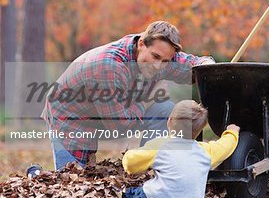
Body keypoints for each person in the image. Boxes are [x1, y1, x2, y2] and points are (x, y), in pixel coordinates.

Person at [41, 21, 215, 170]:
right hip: (72, 117)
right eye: (155, 57)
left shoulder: (158, 52)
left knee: (164, 109)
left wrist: (209, 66)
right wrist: (151, 97)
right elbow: (120, 126)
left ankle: (150, 168)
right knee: (73, 180)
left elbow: (193, 63)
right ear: (141, 44)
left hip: (111, 109)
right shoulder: (109, 67)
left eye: (165, 61)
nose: (158, 66)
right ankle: (35, 172)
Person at [119, 100, 240, 198]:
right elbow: (225, 146)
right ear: (199, 129)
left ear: (169, 121)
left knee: (130, 193)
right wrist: (232, 132)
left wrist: (128, 156)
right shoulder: (205, 151)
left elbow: (130, 164)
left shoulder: (160, 144)